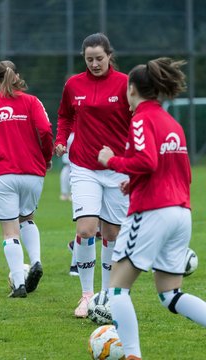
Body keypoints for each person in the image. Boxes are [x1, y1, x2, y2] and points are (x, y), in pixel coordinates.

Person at [98, 57, 206, 360]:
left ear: (132, 89)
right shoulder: (172, 123)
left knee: (117, 289)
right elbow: (178, 171)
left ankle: (132, 355)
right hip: (181, 212)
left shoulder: (142, 118)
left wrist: (111, 161)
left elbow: (147, 161)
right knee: (170, 294)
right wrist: (133, 182)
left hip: (152, 211)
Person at [54, 33, 132, 317]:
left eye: (99, 58)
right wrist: (61, 139)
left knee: (112, 233)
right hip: (84, 166)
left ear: (109, 55)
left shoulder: (125, 84)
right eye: (89, 60)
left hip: (116, 169)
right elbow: (65, 115)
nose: (95, 64)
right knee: (86, 229)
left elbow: (138, 121)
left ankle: (108, 295)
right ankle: (87, 296)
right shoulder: (74, 85)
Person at [0, 60, 53, 298]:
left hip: (3, 174)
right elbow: (46, 131)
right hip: (32, 172)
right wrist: (45, 157)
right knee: (27, 218)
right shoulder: (32, 102)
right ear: (17, 76)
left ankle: (19, 285)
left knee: (9, 231)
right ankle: (35, 261)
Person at [59, 132, 74, 201]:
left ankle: (65, 194)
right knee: (72, 167)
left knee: (67, 167)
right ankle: (72, 193)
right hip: (76, 134)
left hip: (67, 134)